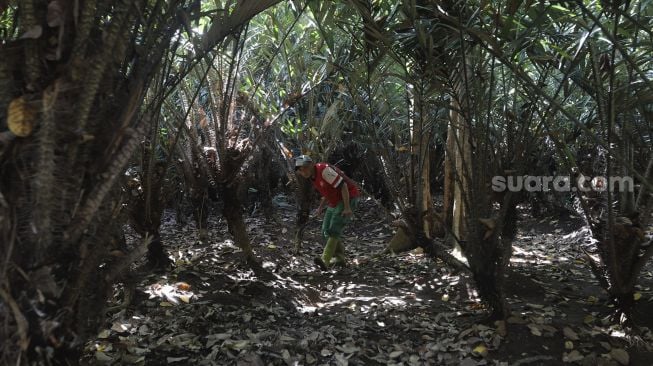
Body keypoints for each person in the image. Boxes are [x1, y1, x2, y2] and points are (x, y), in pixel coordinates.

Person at [295, 155, 360, 270]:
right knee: (325, 230)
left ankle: (325, 260)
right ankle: (339, 258)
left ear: (311, 164)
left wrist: (347, 207)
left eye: (304, 167)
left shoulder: (323, 170)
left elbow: (343, 185)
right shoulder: (313, 177)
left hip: (347, 197)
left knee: (334, 228)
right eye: (300, 169)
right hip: (334, 201)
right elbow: (327, 191)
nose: (302, 171)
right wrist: (320, 208)